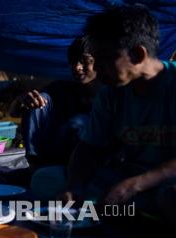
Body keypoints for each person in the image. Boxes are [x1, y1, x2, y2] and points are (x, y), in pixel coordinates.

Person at [55, 4, 176, 226]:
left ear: (138, 54)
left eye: (103, 60)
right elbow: (89, 147)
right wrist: (75, 187)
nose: (98, 70)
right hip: (128, 177)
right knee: (49, 179)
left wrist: (135, 184)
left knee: (169, 198)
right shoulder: (110, 93)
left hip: (163, 183)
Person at [10, 35, 102, 167]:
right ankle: (35, 165)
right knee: (38, 104)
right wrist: (23, 102)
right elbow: (14, 112)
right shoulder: (61, 89)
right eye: (73, 61)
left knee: (78, 124)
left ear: (100, 62)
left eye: (85, 61)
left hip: (89, 160)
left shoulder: (111, 95)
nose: (77, 67)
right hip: (53, 156)